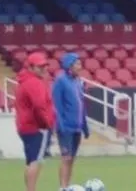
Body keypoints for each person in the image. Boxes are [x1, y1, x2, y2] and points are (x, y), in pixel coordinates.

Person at [13, 52, 54, 191]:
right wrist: (46, 124)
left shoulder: (25, 81)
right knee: (36, 161)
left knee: (30, 161)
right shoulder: (34, 83)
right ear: (30, 67)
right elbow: (39, 106)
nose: (44, 69)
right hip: (37, 127)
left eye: (45, 66)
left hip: (25, 126)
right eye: (40, 67)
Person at [52, 52, 90, 190]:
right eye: (77, 64)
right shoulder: (60, 81)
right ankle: (62, 187)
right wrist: (60, 125)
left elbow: (81, 104)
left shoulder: (78, 82)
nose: (80, 66)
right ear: (69, 65)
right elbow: (56, 106)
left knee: (72, 159)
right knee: (66, 157)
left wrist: (85, 126)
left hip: (77, 127)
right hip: (66, 127)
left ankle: (67, 186)